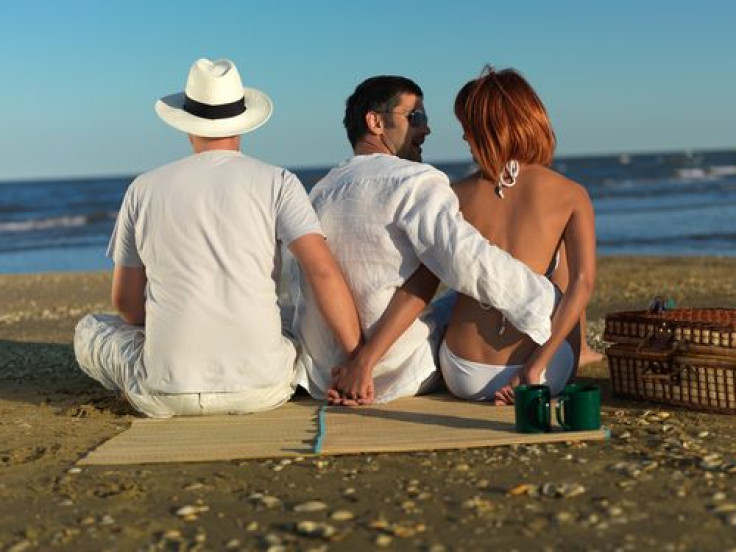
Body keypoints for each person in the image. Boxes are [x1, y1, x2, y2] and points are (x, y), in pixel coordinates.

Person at [74, 58, 361, 417]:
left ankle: (161, 371)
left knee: (91, 329)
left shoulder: (143, 188)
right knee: (289, 317)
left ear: (186, 124)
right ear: (244, 122)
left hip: (166, 391)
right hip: (263, 387)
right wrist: (358, 360)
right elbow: (322, 272)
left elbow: (127, 306)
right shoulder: (278, 182)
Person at [291, 75, 557, 406]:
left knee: (438, 274)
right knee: (466, 292)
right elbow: (466, 259)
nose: (427, 129)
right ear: (375, 122)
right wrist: (543, 301)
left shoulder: (319, 192)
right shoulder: (416, 181)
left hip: (326, 372)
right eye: (416, 117)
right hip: (399, 370)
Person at [439, 66, 596, 404]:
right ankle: (580, 350)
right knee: (563, 272)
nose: (465, 137)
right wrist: (534, 370)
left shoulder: (452, 194)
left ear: (489, 127)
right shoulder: (571, 193)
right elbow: (583, 284)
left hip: (462, 371)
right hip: (543, 372)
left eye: (467, 127)